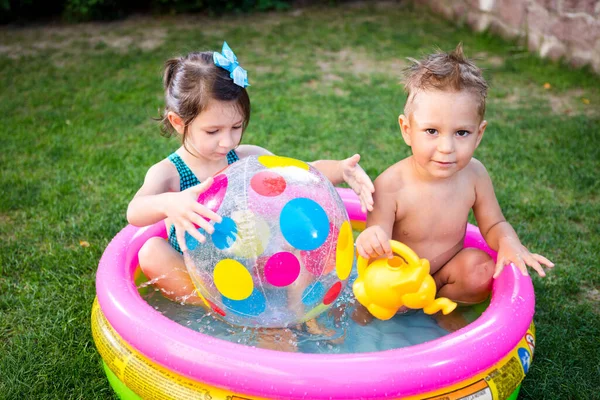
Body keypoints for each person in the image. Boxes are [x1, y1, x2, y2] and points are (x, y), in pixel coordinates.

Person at [127, 42, 375, 310]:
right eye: (213, 131)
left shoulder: (244, 157)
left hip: (250, 264)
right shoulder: (170, 172)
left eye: (236, 126)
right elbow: (135, 211)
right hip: (201, 275)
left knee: (299, 235)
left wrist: (341, 169)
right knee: (151, 252)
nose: (227, 142)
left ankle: (298, 310)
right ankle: (224, 309)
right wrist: (169, 203)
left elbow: (298, 173)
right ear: (178, 122)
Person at [355, 44, 554, 317]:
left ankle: (443, 314)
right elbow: (376, 243)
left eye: (461, 133)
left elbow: (494, 223)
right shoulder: (390, 185)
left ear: (479, 134)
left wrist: (508, 241)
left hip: (443, 276)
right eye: (432, 131)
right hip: (399, 283)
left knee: (481, 270)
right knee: (368, 308)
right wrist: (371, 238)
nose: (446, 147)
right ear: (407, 130)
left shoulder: (475, 175)